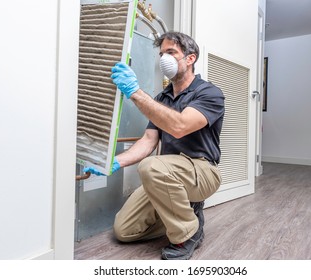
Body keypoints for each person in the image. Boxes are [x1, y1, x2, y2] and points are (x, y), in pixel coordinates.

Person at [90, 31, 225, 260]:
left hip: (202, 171)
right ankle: (185, 215)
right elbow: (148, 141)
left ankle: (187, 233)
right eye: (161, 53)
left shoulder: (209, 93)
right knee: (124, 230)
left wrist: (135, 93)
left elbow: (180, 126)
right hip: (167, 173)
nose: (164, 58)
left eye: (171, 52)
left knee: (150, 166)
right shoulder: (162, 99)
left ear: (190, 58)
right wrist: (112, 162)